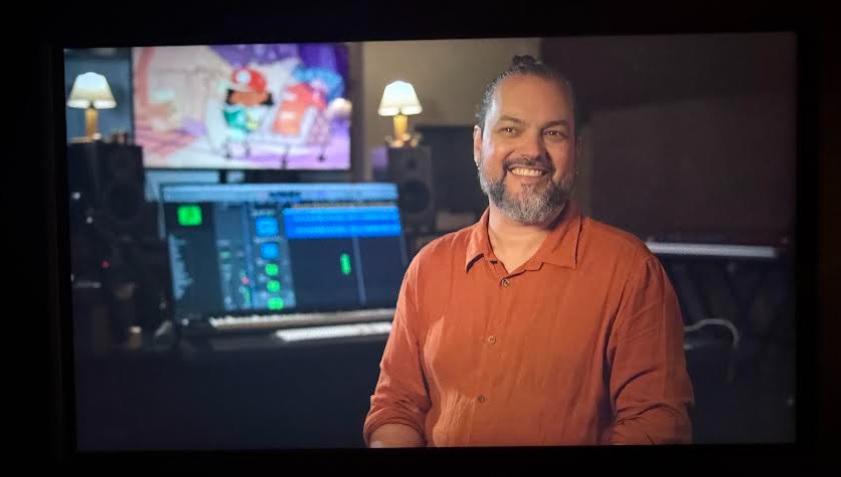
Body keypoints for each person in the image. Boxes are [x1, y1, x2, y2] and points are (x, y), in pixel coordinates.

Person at [363, 55, 694, 447]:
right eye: (510, 129)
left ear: (576, 150)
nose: (533, 150)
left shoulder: (631, 272)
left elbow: (656, 426)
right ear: (478, 145)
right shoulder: (428, 267)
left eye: (553, 133)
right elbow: (395, 408)